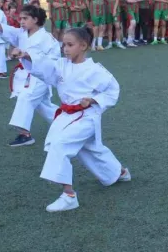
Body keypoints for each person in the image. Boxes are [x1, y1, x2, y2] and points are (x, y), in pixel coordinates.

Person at [16, 27, 131, 212]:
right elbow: (45, 66)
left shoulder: (94, 70)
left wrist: (94, 99)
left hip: (86, 117)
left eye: (70, 45)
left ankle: (69, 196)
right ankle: (119, 172)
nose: (65, 49)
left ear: (83, 46)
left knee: (60, 145)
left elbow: (113, 90)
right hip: (67, 115)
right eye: (64, 45)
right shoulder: (61, 65)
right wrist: (27, 56)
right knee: (91, 149)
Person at [0, 4, 60, 147]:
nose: (21, 21)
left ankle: (24, 134)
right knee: (42, 105)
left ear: (35, 19)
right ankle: (66, 123)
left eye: (25, 18)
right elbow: (11, 32)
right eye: (20, 18)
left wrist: (26, 55)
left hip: (40, 76)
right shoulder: (22, 33)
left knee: (26, 97)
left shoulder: (47, 38)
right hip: (26, 75)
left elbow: (53, 60)